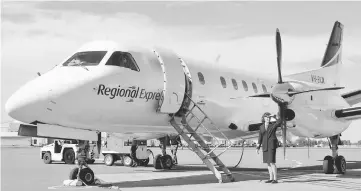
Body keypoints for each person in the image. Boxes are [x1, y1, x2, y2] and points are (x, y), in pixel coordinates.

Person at [256, 112, 281, 184]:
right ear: (263, 118)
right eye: (266, 117)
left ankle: (275, 179)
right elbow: (260, 138)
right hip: (265, 146)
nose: (267, 119)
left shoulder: (273, 125)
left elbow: (279, 122)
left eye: (269, 117)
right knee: (268, 163)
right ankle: (271, 178)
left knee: (272, 162)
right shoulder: (261, 127)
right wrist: (257, 147)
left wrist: (275, 117)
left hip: (271, 146)